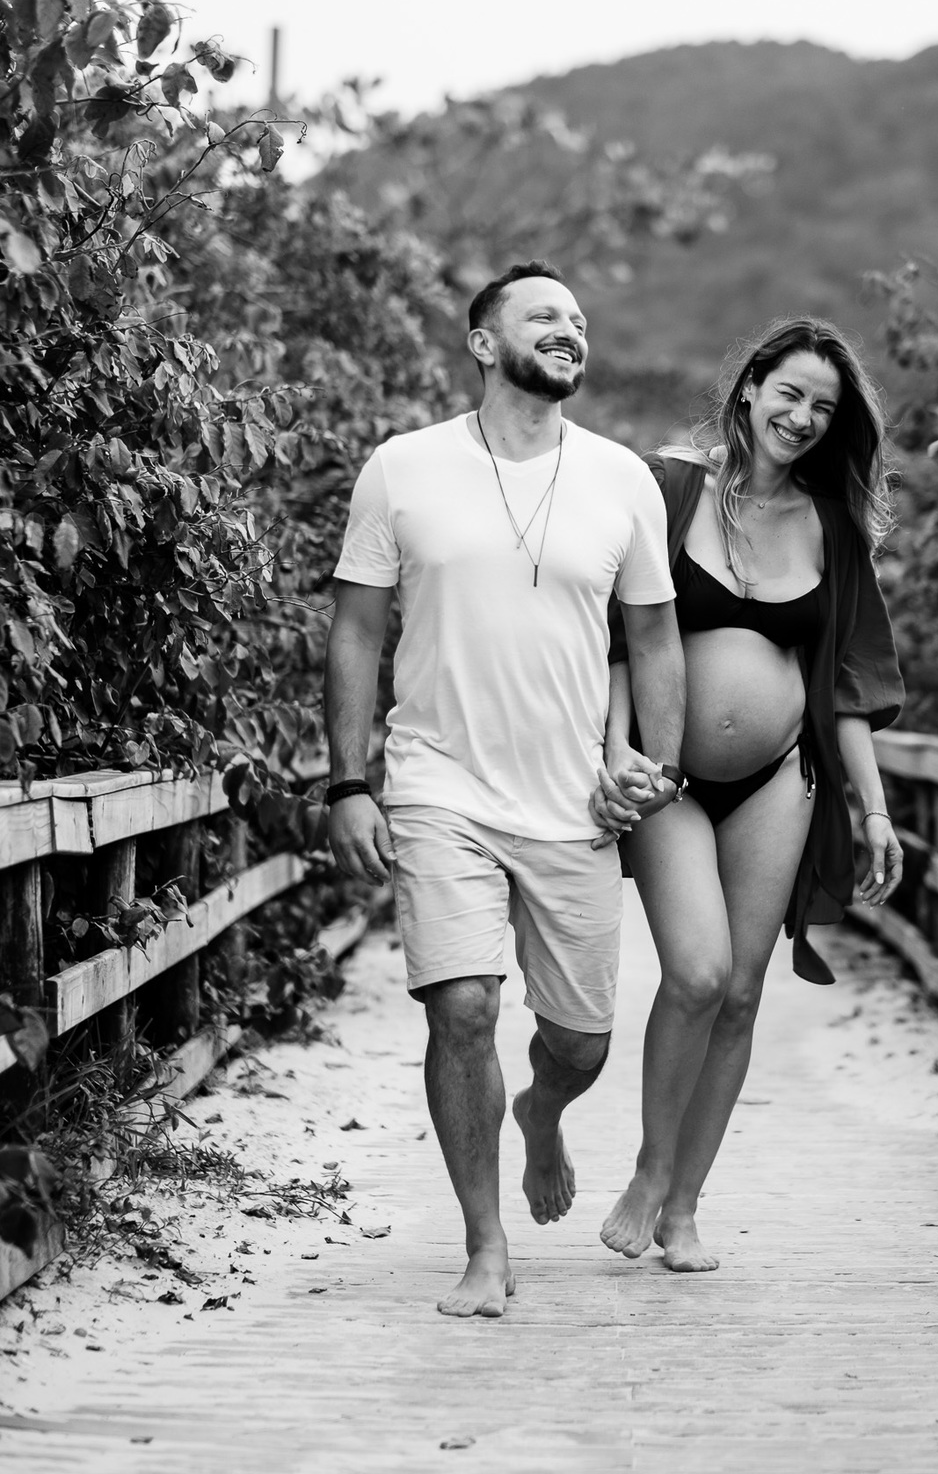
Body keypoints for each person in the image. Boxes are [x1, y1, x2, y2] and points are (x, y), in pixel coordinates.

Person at [324, 260, 685, 1319]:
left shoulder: (621, 477)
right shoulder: (403, 468)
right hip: (438, 783)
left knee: (580, 1041)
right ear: (484, 343)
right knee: (466, 1009)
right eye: (543, 316)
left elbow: (654, 636)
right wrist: (352, 782)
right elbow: (355, 630)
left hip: (574, 802)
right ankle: (485, 1249)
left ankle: (544, 1112)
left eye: (578, 318)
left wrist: (652, 769)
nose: (569, 329)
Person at [594, 317, 905, 1274]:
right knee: (694, 971)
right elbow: (610, 633)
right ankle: (650, 1171)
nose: (804, 417)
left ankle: (684, 1209)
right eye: (791, 393)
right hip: (668, 772)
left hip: (782, 777)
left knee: (740, 990)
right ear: (749, 386)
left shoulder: (830, 523)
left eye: (824, 407)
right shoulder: (666, 484)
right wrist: (612, 750)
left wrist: (874, 806)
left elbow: (848, 678)